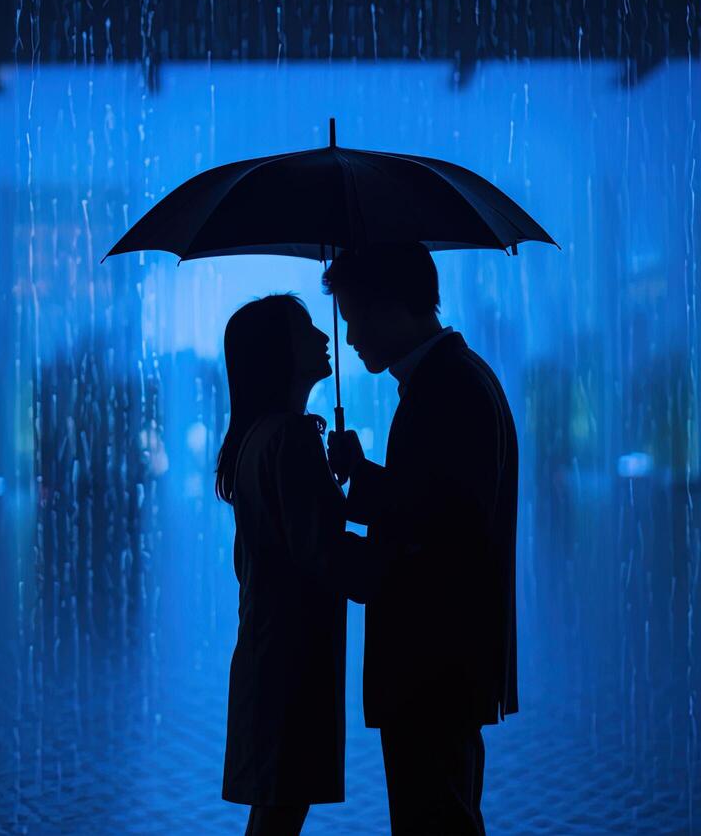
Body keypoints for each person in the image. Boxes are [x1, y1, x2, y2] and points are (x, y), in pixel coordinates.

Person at [323, 243, 519, 836]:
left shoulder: (448, 388)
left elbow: (450, 520)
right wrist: (365, 475)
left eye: (355, 316)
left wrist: (362, 492)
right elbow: (436, 499)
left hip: (432, 661)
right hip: (445, 662)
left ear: (392, 306)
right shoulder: (455, 378)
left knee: (432, 823)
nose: (350, 336)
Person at [217, 294, 385, 836]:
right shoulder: (289, 437)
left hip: (272, 652)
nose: (324, 337)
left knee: (276, 807)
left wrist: (342, 478)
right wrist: (404, 555)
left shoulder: (262, 436)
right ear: (280, 352)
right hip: (291, 661)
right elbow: (324, 555)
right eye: (307, 329)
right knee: (280, 810)